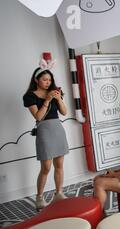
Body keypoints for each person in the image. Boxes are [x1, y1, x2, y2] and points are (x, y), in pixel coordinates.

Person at [23, 60, 69, 209]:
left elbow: (64, 112)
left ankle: (59, 193)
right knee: (46, 167)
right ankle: (39, 197)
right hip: (44, 130)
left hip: (57, 128)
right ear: (36, 80)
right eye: (44, 80)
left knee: (60, 165)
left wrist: (58, 99)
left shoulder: (56, 91)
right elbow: (38, 117)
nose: (48, 82)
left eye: (49, 80)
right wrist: (47, 100)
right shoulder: (30, 96)